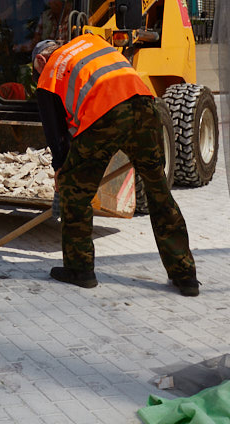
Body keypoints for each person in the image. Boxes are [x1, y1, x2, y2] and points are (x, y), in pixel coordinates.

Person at [32, 36, 199, 296]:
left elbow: (56, 134)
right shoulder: (90, 42)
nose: (38, 75)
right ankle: (185, 275)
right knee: (159, 194)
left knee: (76, 194)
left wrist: (63, 171)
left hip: (103, 117)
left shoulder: (49, 73)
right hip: (145, 106)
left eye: (36, 70)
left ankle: (80, 269)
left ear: (41, 60)